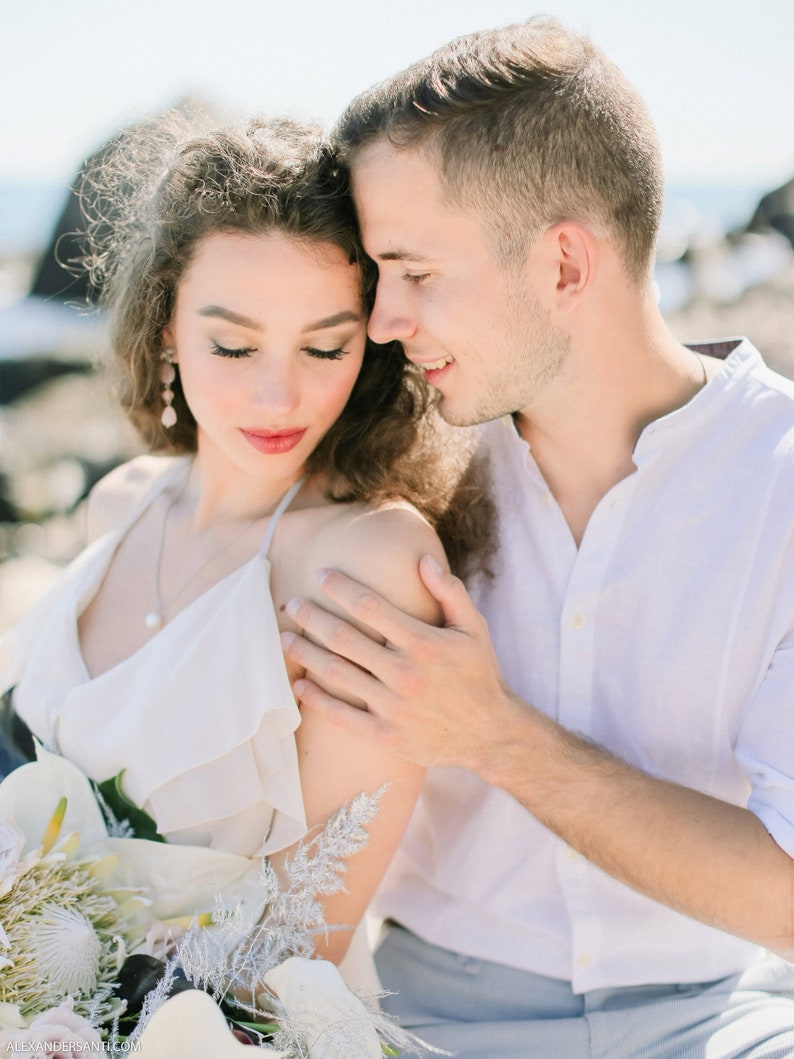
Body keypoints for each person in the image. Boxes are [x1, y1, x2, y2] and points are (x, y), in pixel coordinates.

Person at [279, 17, 794, 1058]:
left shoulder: (780, 481)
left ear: (562, 265)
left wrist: (495, 737)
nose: (383, 322)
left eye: (414, 274)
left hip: (722, 1013)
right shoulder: (391, 459)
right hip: (419, 1017)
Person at [0, 111, 490, 990]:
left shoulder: (367, 565)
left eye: (325, 345)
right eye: (232, 343)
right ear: (164, 331)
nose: (278, 393)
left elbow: (303, 942)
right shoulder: (117, 504)